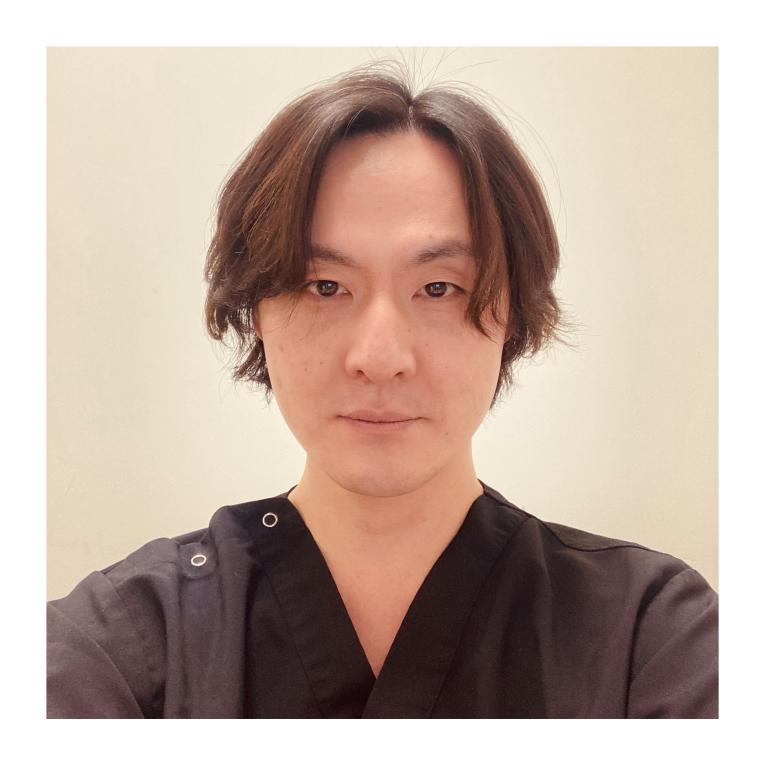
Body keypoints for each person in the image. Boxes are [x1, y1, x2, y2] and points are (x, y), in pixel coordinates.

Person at [47, 62, 718, 718]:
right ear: (255, 312)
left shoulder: (650, 637)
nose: (379, 358)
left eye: (438, 288)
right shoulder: (120, 644)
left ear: (512, 316)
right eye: (324, 286)